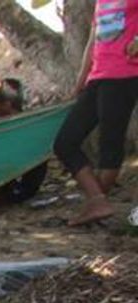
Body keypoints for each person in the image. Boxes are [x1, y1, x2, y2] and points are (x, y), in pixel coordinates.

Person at [52, 0, 138, 226]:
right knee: (65, 142)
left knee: (109, 146)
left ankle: (97, 205)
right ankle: (98, 201)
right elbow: (92, 41)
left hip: (124, 76)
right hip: (97, 78)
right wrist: (79, 83)